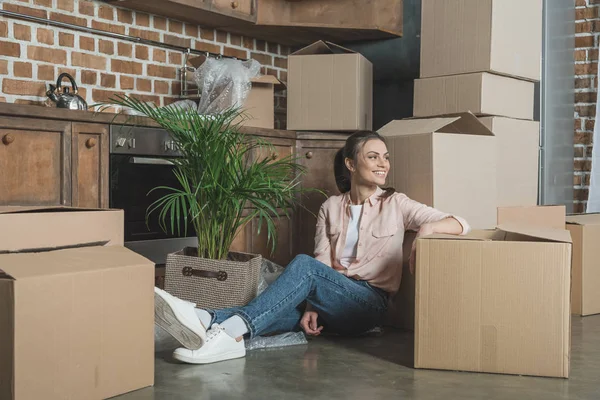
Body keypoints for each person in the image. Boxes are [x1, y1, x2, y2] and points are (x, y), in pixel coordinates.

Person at [154, 130, 470, 365]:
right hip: (330, 300)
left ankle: (217, 324)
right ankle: (215, 325)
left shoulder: (397, 203)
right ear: (351, 163)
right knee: (283, 311)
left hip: (369, 305)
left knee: (302, 267)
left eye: (386, 157)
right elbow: (322, 259)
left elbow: (460, 223)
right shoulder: (330, 206)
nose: (383, 164)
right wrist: (312, 307)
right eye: (373, 156)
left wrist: (427, 227)